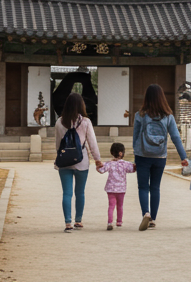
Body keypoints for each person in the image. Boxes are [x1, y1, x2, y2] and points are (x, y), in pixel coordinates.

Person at [132, 83, 187, 231]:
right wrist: (183, 157)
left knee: (143, 187)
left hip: (142, 155)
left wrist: (135, 153)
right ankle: (153, 219)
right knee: (155, 187)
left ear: (147, 98)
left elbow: (135, 136)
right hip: (160, 156)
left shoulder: (140, 115)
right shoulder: (168, 117)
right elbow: (176, 137)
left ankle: (146, 213)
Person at [54, 92, 102, 232]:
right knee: (80, 192)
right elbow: (92, 142)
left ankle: (68, 223)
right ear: (81, 105)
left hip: (64, 163)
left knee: (66, 193)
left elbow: (58, 144)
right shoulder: (85, 122)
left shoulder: (59, 122)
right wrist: (97, 159)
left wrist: (60, 157)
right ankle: (78, 221)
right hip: (82, 162)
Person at [96, 142, 135, 230]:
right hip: (121, 189)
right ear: (121, 153)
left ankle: (110, 222)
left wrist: (98, 166)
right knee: (120, 205)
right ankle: (119, 221)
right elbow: (132, 169)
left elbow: (101, 170)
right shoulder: (125, 164)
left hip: (111, 188)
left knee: (111, 205)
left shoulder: (108, 164)